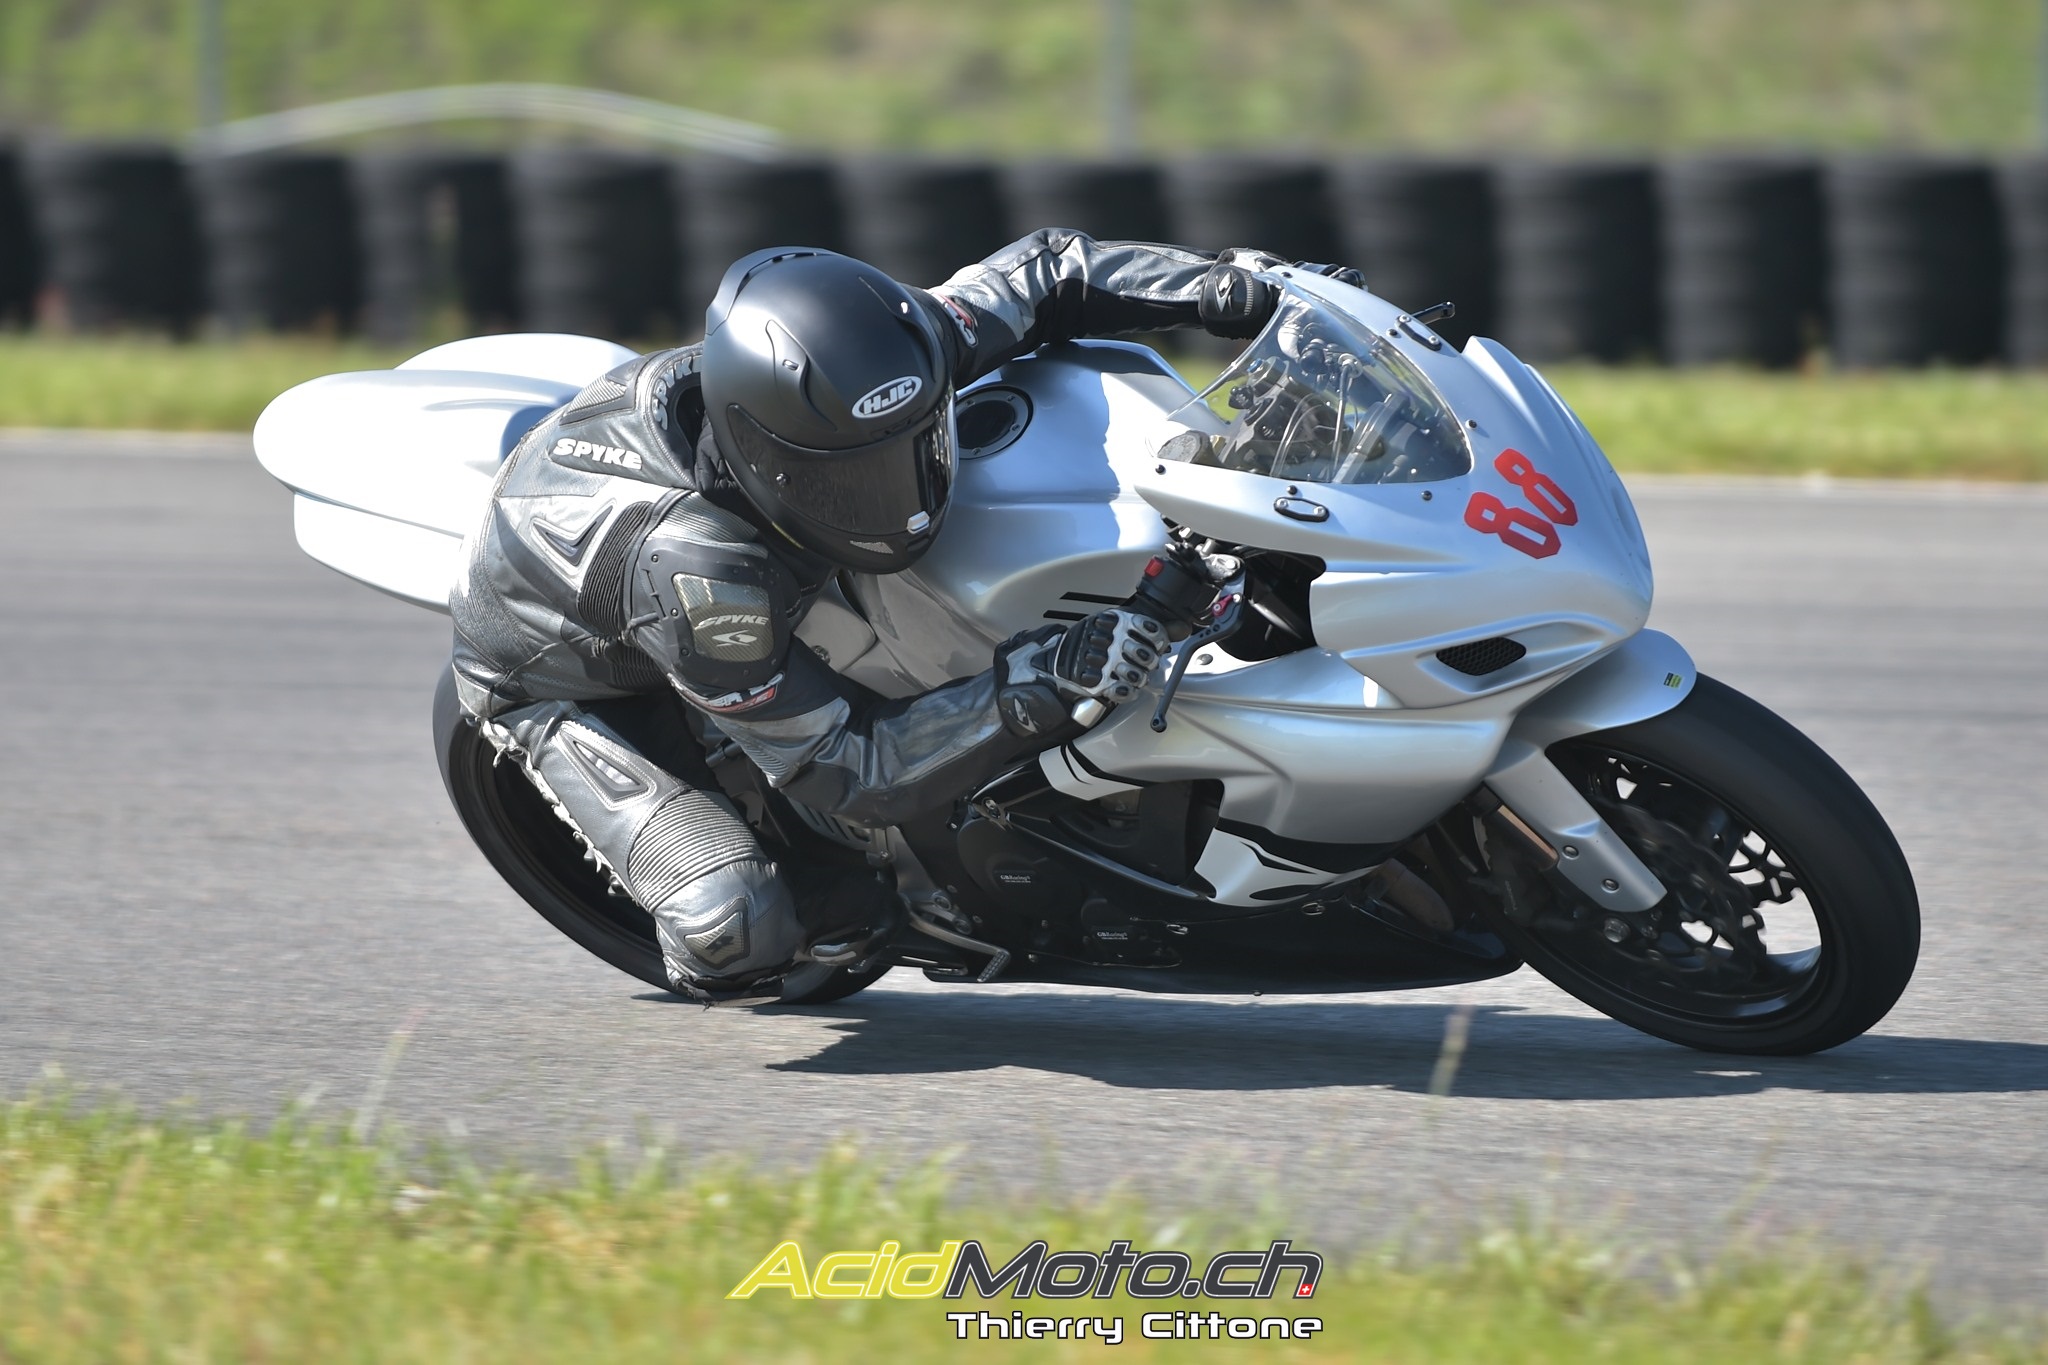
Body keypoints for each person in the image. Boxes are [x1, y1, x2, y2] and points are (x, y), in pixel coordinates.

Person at [447, 228, 1358, 1003]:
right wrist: (1038, 680)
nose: (899, 495)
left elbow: (1051, 271)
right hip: (564, 679)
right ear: (765, 459)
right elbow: (848, 764)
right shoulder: (702, 573)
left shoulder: (886, 359)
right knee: (741, 927)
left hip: (732, 578)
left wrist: (1236, 288)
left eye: (911, 445)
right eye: (852, 479)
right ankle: (732, 834)